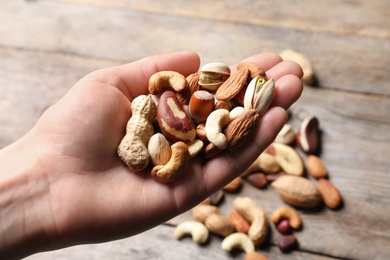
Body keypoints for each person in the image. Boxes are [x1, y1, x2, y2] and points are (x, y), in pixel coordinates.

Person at [0, 51, 303, 259]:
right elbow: (179, 117)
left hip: (195, 138)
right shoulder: (157, 121)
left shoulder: (200, 121)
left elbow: (193, 119)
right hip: (182, 142)